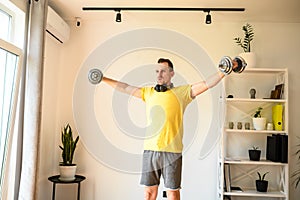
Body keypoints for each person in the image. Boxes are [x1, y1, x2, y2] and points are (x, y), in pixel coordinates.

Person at [102, 58, 236, 200]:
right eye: (157, 71)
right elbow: (124, 87)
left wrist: (224, 71)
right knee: (149, 193)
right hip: (150, 151)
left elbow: (206, 84)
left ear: (172, 73)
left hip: (172, 152)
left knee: (172, 194)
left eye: (163, 71)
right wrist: (103, 78)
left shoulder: (183, 92)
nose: (159, 75)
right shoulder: (148, 93)